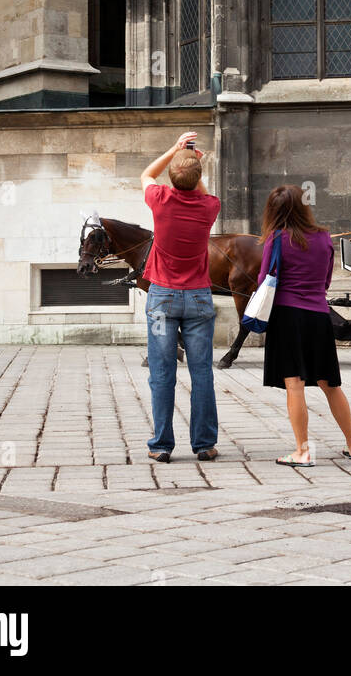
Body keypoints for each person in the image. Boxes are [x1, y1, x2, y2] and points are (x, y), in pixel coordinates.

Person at [257, 185, 351, 467]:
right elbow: (325, 280)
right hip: (319, 316)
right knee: (331, 384)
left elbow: (263, 281)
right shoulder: (324, 238)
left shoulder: (276, 239)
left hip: (288, 317)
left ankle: (302, 451)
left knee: (295, 385)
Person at [140, 131, 220, 464]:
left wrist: (175, 150)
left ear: (171, 181)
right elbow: (196, 190)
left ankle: (161, 445)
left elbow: (146, 175)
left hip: (162, 298)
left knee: (162, 372)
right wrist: (192, 165)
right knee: (201, 372)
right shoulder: (209, 206)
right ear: (199, 179)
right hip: (198, 297)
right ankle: (203, 444)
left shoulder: (160, 199)